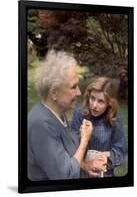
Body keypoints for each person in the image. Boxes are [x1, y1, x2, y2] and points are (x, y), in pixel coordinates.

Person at [28, 50, 107, 181]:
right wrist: (84, 141)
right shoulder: (41, 125)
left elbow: (65, 153)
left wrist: (85, 165)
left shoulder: (58, 113)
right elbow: (65, 176)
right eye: (73, 87)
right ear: (54, 92)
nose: (79, 92)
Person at [71, 77, 127, 177]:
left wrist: (106, 157)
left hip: (104, 173)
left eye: (101, 101)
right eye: (92, 98)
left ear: (109, 103)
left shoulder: (114, 120)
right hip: (80, 173)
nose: (94, 105)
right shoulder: (79, 115)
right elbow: (71, 148)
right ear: (89, 96)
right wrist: (82, 137)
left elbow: (120, 151)